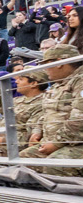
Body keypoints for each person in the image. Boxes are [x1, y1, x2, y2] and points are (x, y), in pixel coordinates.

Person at [18, 44, 83, 175]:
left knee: (55, 165)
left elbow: (79, 119)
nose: (45, 70)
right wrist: (37, 131)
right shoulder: (58, 85)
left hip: (76, 143)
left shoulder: (79, 80)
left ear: (59, 63)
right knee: (21, 161)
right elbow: (46, 112)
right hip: (56, 141)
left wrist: (56, 143)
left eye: (47, 64)